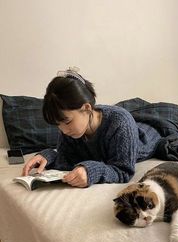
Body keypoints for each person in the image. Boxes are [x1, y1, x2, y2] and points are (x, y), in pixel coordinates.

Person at [22, 67, 161, 188]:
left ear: (87, 108)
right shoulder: (68, 129)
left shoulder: (120, 123)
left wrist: (92, 171)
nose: (63, 130)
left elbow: (123, 171)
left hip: (147, 134)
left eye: (67, 122)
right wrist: (48, 156)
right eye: (58, 125)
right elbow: (66, 161)